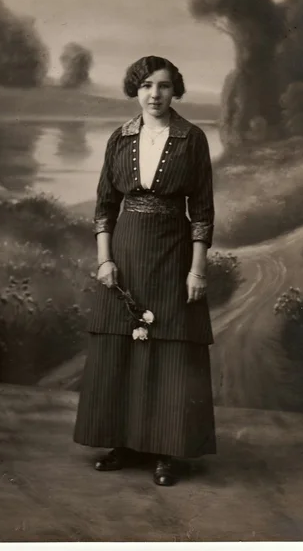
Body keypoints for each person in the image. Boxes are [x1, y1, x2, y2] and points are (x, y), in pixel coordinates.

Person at [73, 56, 216, 486]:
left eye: (165, 86)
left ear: (176, 91)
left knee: (171, 349)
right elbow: (104, 207)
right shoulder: (119, 139)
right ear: (135, 90)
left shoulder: (192, 139)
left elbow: (203, 211)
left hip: (174, 254)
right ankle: (123, 441)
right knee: (123, 349)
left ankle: (167, 450)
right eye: (147, 85)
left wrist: (197, 270)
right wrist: (105, 259)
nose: (155, 94)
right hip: (126, 252)